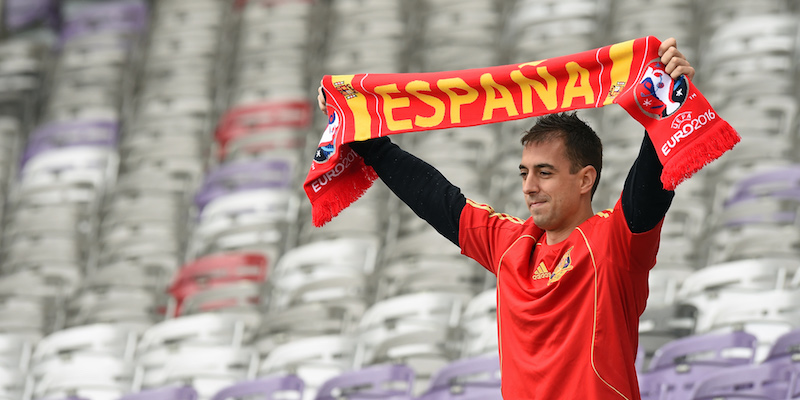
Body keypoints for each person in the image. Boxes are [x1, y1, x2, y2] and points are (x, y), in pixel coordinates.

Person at [317, 38, 695, 399]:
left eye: (544, 173)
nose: (529, 186)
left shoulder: (615, 241)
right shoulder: (511, 244)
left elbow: (650, 185)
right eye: (524, 173)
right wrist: (363, 134)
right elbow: (436, 198)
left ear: (585, 180)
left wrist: (667, 97)